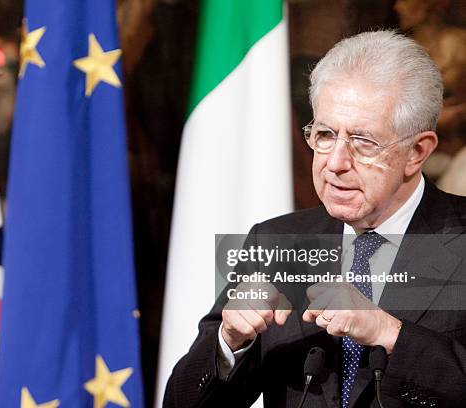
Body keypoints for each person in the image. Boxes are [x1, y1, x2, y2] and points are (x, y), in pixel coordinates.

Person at [163, 30, 466, 408]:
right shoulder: (277, 243)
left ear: (417, 152)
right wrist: (229, 342)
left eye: (363, 141)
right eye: (324, 134)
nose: (335, 163)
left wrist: (389, 333)